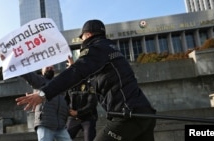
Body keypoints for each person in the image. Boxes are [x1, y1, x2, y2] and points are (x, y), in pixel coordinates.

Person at [16, 19, 157, 141]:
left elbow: (76, 73)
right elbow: (98, 78)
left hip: (127, 116)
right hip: (144, 113)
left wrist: (43, 94)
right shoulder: (110, 49)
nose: (82, 40)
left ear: (88, 35)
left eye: (82, 37)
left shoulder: (96, 48)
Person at [21, 66, 72, 141]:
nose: (50, 68)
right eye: (47, 67)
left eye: (52, 67)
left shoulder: (58, 83)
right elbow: (26, 74)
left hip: (60, 125)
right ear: (42, 70)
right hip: (45, 124)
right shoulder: (39, 81)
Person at [65, 75, 98, 141]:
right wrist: (69, 111)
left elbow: (92, 104)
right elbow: (65, 101)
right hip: (73, 117)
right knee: (64, 138)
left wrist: (78, 112)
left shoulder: (90, 84)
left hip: (88, 118)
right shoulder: (69, 85)